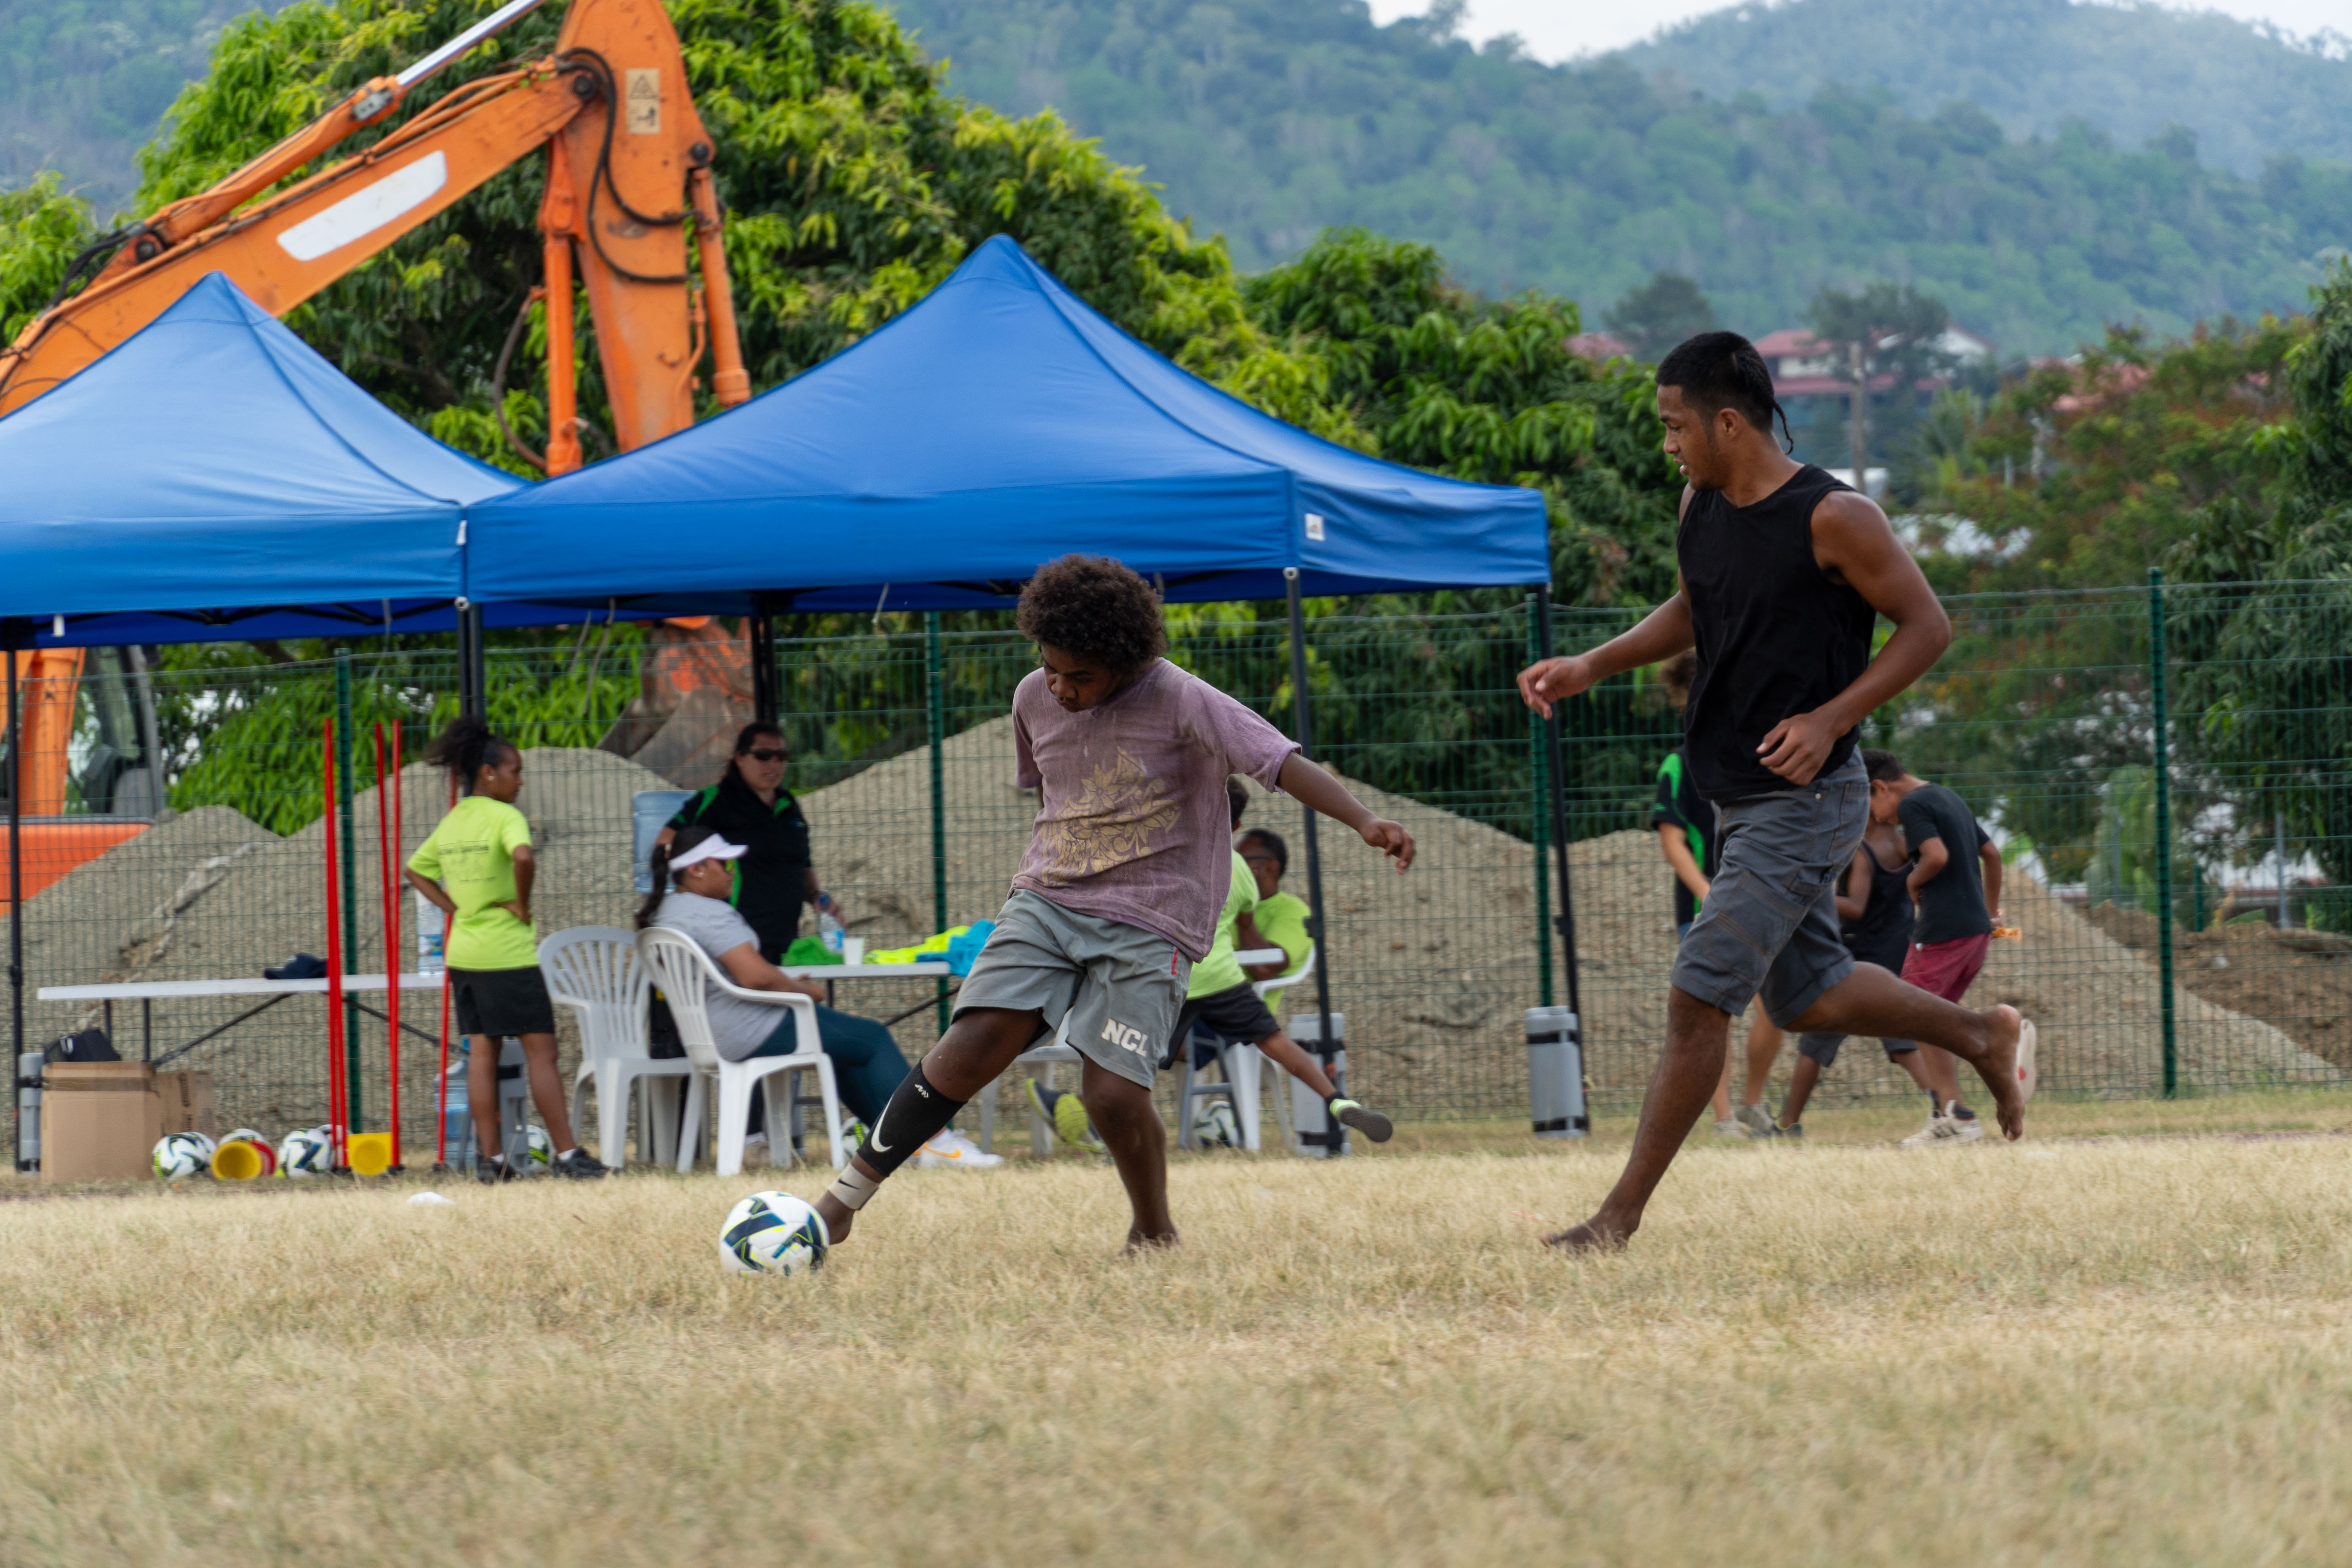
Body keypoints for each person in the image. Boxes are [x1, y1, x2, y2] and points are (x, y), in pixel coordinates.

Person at [1516, 330, 2033, 1252]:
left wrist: (1833, 716)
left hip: (1806, 797)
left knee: (1696, 996)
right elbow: (1693, 607)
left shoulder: (1835, 517)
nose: (1668, 444)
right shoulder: (1698, 502)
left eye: (1676, 426)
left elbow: (1926, 626)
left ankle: (1615, 1218)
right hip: (1733, 792)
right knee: (1810, 996)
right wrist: (1591, 662)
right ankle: (1983, 1035)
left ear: (1726, 420)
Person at [812, 554, 1414, 1254]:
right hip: (1047, 897)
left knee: (1111, 1096)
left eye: (1082, 676)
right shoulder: (1031, 697)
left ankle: (1153, 1228)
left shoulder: (1184, 698)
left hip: (1152, 915)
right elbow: (1054, 792)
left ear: (1125, 660)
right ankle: (840, 1203)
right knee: (968, 1045)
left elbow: (1278, 761)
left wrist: (1365, 820)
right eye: (1051, 668)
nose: (1062, 689)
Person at [641, 826, 998, 1169]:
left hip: (713, 1033)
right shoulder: (709, 912)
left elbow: (736, 975)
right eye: (726, 864)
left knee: (845, 1052)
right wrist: (804, 991)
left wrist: (784, 982)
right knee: (872, 1038)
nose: (734, 873)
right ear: (698, 870)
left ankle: (900, 1143)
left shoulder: (669, 910)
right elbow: (753, 976)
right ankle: (938, 1140)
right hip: (750, 1027)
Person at [654, 721, 881, 1157]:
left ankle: (774, 1137)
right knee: (758, 1021)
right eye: (763, 755)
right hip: (730, 943)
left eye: (782, 757)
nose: (774, 765)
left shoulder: (789, 805)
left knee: (787, 1025)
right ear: (739, 758)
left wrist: (820, 899)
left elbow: (802, 863)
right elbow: (666, 843)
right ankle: (752, 1138)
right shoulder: (712, 802)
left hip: (780, 936)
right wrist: (687, 898)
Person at [404, 716, 609, 1181]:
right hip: (505, 952)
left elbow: (415, 870)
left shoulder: (454, 821)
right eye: (514, 772)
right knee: (542, 1052)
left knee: (482, 1054)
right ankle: (568, 1156)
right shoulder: (506, 817)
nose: (520, 781)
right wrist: (523, 902)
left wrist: (453, 907)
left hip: (465, 955)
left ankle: (491, 1161)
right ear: (488, 774)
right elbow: (522, 856)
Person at [1162, 786, 1393, 1145]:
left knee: (1124, 1048)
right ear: (1236, 824)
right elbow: (1243, 921)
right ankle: (1337, 1100)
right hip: (1224, 978)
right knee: (1276, 1041)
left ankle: (1100, 1126)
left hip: (1176, 975)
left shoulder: (1167, 855)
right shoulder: (1238, 869)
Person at [1651, 649, 1784, 1138]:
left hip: (1764, 903)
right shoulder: (1677, 764)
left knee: (1781, 1009)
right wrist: (1708, 893)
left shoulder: (1755, 756)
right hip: (1705, 910)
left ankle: (1752, 1104)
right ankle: (1725, 1119)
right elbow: (1673, 842)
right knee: (1715, 1015)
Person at [1776, 756, 1933, 1136]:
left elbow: (1858, 907)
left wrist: (1813, 898)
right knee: (1895, 1041)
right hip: (1895, 950)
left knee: (1820, 1040)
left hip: (1857, 959)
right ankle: (1944, 1104)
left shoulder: (1862, 852)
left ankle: (1788, 1125)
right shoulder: (1899, 843)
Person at [1871, 748, 2006, 1148]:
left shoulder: (1913, 803)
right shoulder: (1946, 795)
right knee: (1934, 1020)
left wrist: (1912, 883)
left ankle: (1959, 1112)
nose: (1878, 819)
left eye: (1871, 805)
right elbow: (1993, 855)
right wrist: (1989, 913)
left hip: (1942, 931)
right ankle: (1946, 1115)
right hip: (1974, 935)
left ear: (1881, 787)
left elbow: (1936, 856)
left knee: (1915, 1013)